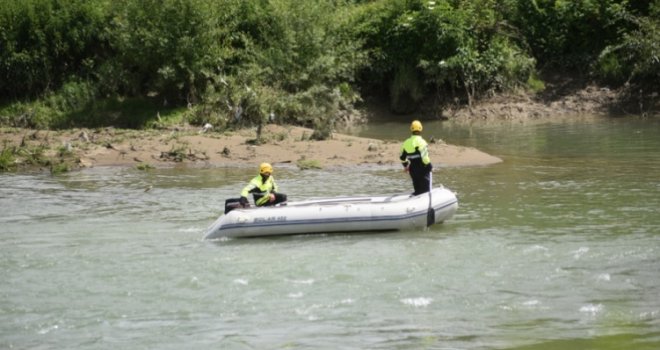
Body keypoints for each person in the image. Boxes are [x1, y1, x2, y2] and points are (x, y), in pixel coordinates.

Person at [399, 120, 433, 195]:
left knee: (417, 188)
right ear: (421, 129)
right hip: (422, 168)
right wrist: (430, 166)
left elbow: (402, 157)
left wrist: (406, 166)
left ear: (411, 129)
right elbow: (425, 158)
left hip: (412, 169)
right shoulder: (422, 142)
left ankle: (416, 196)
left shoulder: (406, 142)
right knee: (425, 190)